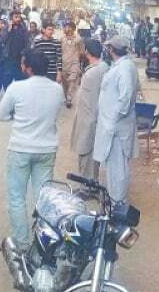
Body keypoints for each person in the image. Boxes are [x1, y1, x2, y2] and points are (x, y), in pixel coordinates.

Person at [0, 50, 65, 251]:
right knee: (44, 197)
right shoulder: (57, 89)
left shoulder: (16, 88)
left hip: (20, 148)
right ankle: (44, 241)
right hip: (46, 149)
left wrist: (17, 118)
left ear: (28, 67)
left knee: (17, 197)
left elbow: (1, 115)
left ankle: (22, 242)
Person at [93, 36, 140, 204]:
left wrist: (113, 119)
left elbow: (125, 98)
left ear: (111, 49)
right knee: (113, 167)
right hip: (114, 125)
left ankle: (118, 203)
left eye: (108, 48)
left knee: (118, 168)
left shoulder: (125, 69)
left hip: (117, 127)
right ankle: (114, 200)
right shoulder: (123, 66)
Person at [70, 39, 109, 181]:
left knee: (86, 152)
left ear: (87, 51)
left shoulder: (93, 73)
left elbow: (88, 101)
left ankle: (88, 187)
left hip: (88, 119)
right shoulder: (103, 67)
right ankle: (90, 182)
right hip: (93, 117)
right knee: (91, 153)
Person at [2, 10, 29, 89]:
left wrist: (24, 54)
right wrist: (9, 30)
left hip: (20, 59)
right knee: (7, 78)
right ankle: (8, 95)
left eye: (19, 17)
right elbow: (3, 40)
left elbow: (27, 43)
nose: (18, 19)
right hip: (9, 58)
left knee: (20, 80)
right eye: (16, 17)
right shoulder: (7, 28)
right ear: (11, 18)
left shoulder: (23, 29)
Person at [60, 21, 84, 108]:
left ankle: (69, 98)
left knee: (72, 81)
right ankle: (66, 97)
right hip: (64, 64)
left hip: (74, 64)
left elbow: (82, 52)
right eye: (65, 27)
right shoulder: (62, 39)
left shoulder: (78, 39)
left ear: (72, 29)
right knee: (65, 83)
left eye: (66, 27)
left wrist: (78, 58)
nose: (65, 29)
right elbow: (59, 51)